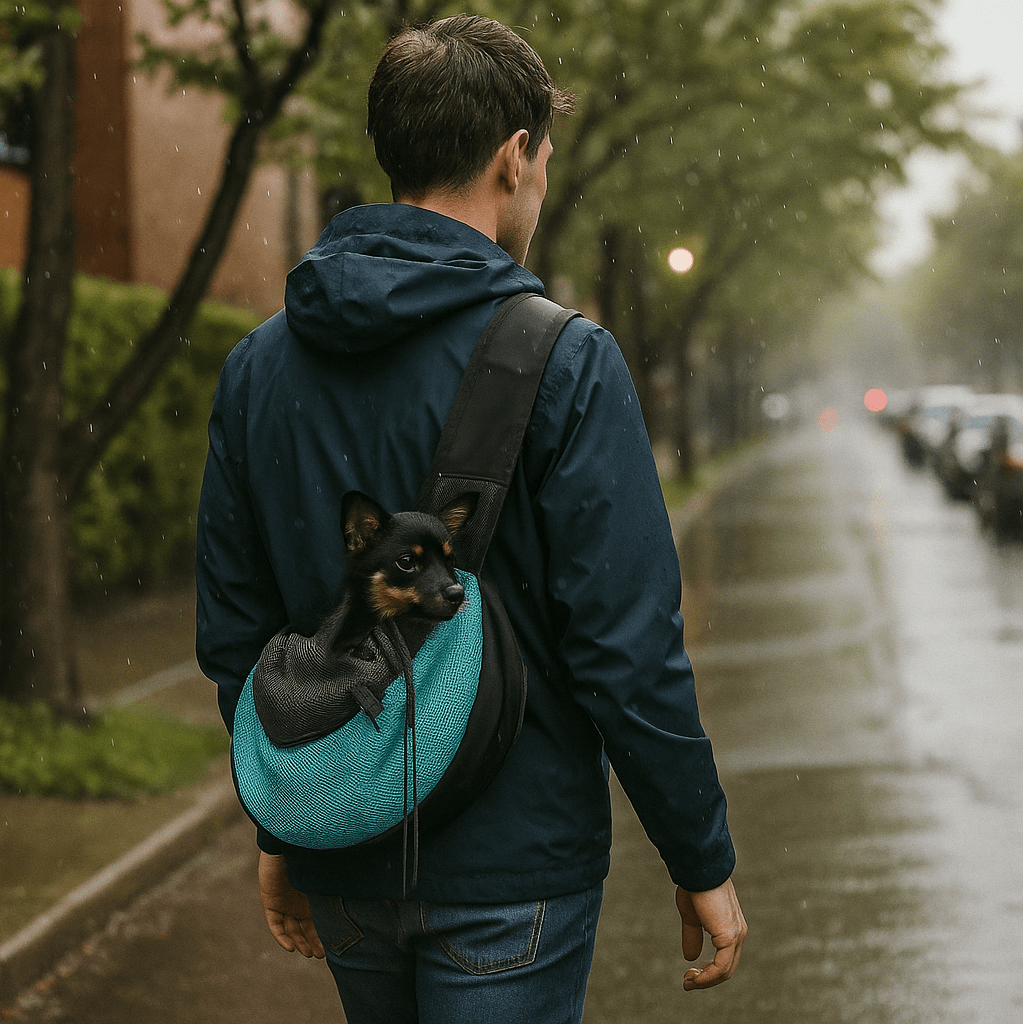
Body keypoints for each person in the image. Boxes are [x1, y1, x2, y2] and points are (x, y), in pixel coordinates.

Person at [196, 14, 746, 1023]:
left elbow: (239, 634)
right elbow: (625, 646)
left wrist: (285, 822)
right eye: (540, 162)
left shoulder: (258, 369)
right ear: (514, 156)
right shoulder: (566, 359)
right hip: (515, 864)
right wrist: (697, 851)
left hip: (349, 850)